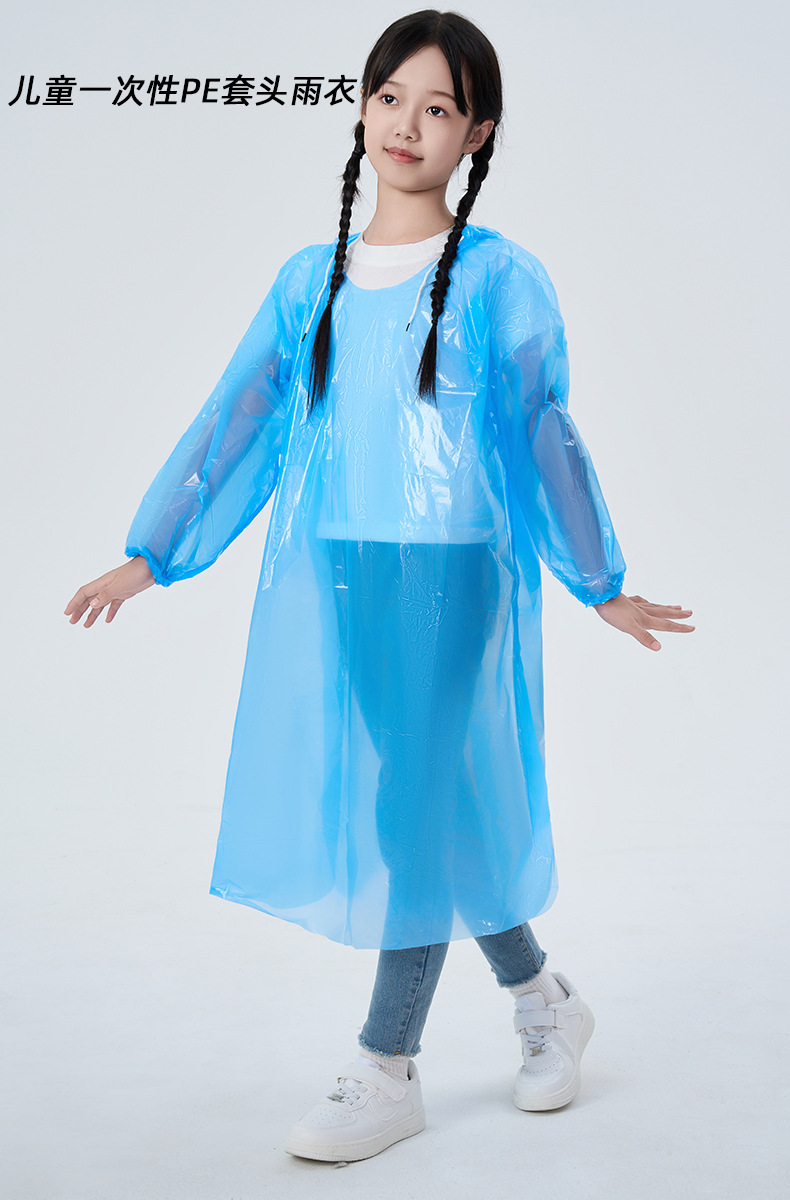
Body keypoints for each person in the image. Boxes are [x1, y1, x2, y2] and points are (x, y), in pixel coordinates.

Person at [64, 8, 695, 1165]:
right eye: (390, 96)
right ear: (361, 106)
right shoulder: (308, 280)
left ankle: (384, 1063)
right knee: (433, 799)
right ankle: (543, 998)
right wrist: (154, 552)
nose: (407, 124)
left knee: (409, 807)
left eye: (438, 106)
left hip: (455, 573)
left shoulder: (500, 278)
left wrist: (598, 579)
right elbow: (238, 418)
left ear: (476, 133)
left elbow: (542, 433)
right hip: (346, 567)